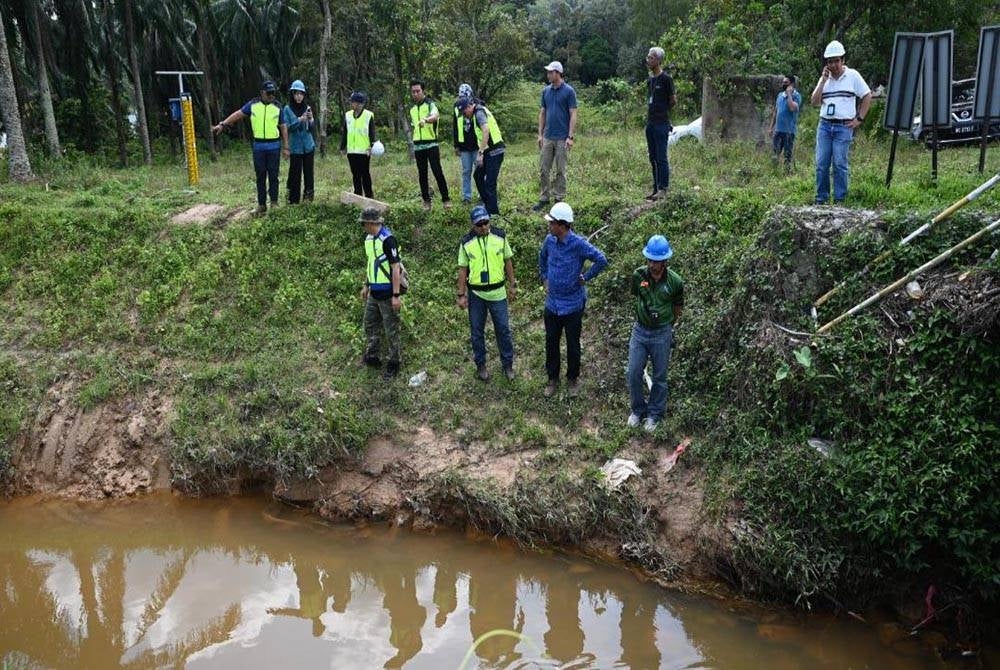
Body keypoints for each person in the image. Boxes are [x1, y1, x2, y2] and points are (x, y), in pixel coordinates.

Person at [537, 202, 607, 397]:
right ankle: (552, 378)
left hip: (573, 305)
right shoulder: (549, 241)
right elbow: (542, 258)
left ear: (562, 225)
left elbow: (601, 260)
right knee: (551, 341)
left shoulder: (578, 244)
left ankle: (573, 379)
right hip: (552, 304)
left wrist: (585, 277)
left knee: (573, 343)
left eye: (552, 223)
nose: (549, 226)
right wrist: (545, 278)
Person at [626, 235, 683, 433]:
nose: (652, 265)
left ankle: (654, 414)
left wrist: (668, 326)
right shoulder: (638, 276)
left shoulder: (675, 282)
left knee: (660, 376)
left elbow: (677, 307)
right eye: (649, 260)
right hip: (640, 331)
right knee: (633, 372)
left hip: (662, 333)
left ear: (665, 261)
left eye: (656, 261)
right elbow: (635, 296)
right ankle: (638, 410)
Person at [457, 206, 516, 382]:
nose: (483, 227)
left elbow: (508, 260)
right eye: (479, 224)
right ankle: (481, 365)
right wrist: (461, 294)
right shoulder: (466, 242)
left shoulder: (500, 236)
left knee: (503, 330)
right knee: (476, 332)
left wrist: (513, 284)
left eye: (485, 222)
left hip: (498, 292)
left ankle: (507, 365)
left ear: (489, 220)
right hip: (476, 294)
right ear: (473, 225)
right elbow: (462, 269)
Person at [810, 40, 872, 205]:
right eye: (830, 61)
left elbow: (867, 96)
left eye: (837, 60)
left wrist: (859, 119)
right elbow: (814, 102)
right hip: (825, 125)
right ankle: (821, 199)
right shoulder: (825, 79)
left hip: (843, 126)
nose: (834, 65)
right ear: (827, 64)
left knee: (839, 163)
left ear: (843, 60)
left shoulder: (852, 75)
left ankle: (840, 199)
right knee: (822, 163)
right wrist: (823, 81)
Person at [213, 80, 288, 213]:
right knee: (260, 176)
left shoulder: (278, 106)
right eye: (269, 93)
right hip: (259, 146)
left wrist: (286, 147)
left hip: (274, 146)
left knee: (273, 176)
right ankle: (261, 204)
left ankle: (274, 203)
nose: (271, 96)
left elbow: (283, 126)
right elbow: (238, 114)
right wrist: (223, 124)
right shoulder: (253, 105)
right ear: (262, 93)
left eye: (273, 93)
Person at [359, 208, 403, 380]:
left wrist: (396, 295)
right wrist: (366, 284)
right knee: (369, 324)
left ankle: (394, 362)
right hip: (373, 292)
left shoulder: (388, 239)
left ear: (371, 223)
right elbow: (372, 263)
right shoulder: (369, 239)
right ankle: (373, 355)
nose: (362, 226)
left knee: (391, 329)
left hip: (387, 293)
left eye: (364, 223)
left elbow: (395, 268)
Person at [532, 61, 578, 212]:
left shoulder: (569, 91)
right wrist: (540, 134)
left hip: (562, 137)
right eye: (548, 72)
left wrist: (570, 137)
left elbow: (573, 114)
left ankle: (559, 197)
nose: (548, 74)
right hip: (548, 136)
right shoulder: (545, 91)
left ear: (558, 73)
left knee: (560, 170)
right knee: (544, 168)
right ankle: (544, 197)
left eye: (551, 72)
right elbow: (542, 113)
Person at [457, 97, 505, 216]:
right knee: (478, 175)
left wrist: (480, 153)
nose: (464, 115)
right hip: (489, 151)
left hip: (495, 150)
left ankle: (493, 213)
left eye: (464, 112)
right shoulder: (475, 114)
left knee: (490, 182)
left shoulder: (479, 113)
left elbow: (485, 130)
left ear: (469, 107)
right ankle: (487, 204)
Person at [408, 79, 451, 210]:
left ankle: (446, 199)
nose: (415, 94)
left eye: (418, 91)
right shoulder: (412, 109)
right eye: (413, 92)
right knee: (422, 174)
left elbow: (435, 116)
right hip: (418, 146)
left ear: (423, 91)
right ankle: (426, 201)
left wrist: (426, 120)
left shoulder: (430, 104)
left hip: (431, 145)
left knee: (437, 171)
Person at [644, 47, 676, 200]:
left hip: (661, 123)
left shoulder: (666, 79)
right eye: (648, 57)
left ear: (658, 60)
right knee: (653, 157)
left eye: (651, 58)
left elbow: (672, 100)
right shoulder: (650, 81)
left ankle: (663, 188)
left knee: (661, 157)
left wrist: (663, 111)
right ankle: (656, 188)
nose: (648, 60)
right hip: (650, 123)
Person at [281, 80, 316, 204]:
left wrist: (311, 119)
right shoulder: (286, 109)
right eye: (296, 93)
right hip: (295, 147)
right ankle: (293, 200)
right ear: (292, 94)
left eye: (301, 94)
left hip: (308, 146)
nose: (299, 96)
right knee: (295, 174)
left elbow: (312, 128)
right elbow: (287, 128)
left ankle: (308, 198)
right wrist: (299, 120)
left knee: (309, 173)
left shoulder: (307, 108)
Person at [341, 91, 377, 199]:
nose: (352, 104)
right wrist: (343, 147)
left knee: (365, 174)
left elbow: (372, 133)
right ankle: (358, 196)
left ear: (360, 104)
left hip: (364, 151)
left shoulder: (368, 115)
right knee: (355, 175)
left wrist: (371, 146)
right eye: (352, 102)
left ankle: (369, 196)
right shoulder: (348, 115)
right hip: (351, 151)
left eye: (354, 102)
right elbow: (345, 132)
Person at [767, 74, 801, 171]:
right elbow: (776, 111)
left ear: (792, 84)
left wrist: (789, 94)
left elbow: (792, 108)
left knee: (787, 155)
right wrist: (771, 127)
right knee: (775, 153)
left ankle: (787, 173)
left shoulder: (796, 96)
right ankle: (774, 172)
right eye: (783, 82)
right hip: (778, 130)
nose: (783, 84)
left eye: (786, 83)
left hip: (789, 131)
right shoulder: (779, 96)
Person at [453, 83, 479, 204]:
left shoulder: (478, 105)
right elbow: (455, 126)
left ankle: (482, 194)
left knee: (480, 170)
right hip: (464, 145)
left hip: (477, 143)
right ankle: (466, 197)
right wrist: (456, 145)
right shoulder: (456, 106)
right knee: (466, 171)